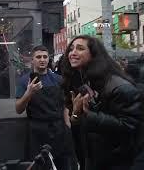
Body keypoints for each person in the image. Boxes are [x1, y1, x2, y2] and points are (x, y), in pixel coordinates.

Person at [61, 35, 144, 170]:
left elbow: (129, 127)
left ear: (94, 55)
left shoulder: (120, 87)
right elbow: (78, 120)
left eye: (80, 48)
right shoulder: (85, 82)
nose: (73, 53)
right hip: (93, 159)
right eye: (71, 49)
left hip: (118, 162)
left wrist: (87, 115)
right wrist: (76, 115)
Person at [16, 45, 74, 170]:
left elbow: (64, 104)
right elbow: (18, 109)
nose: (42, 60)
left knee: (63, 164)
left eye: (45, 57)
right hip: (37, 131)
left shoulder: (58, 80)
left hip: (59, 130)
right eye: (38, 57)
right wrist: (29, 93)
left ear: (49, 59)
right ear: (32, 60)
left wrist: (67, 124)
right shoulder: (24, 81)